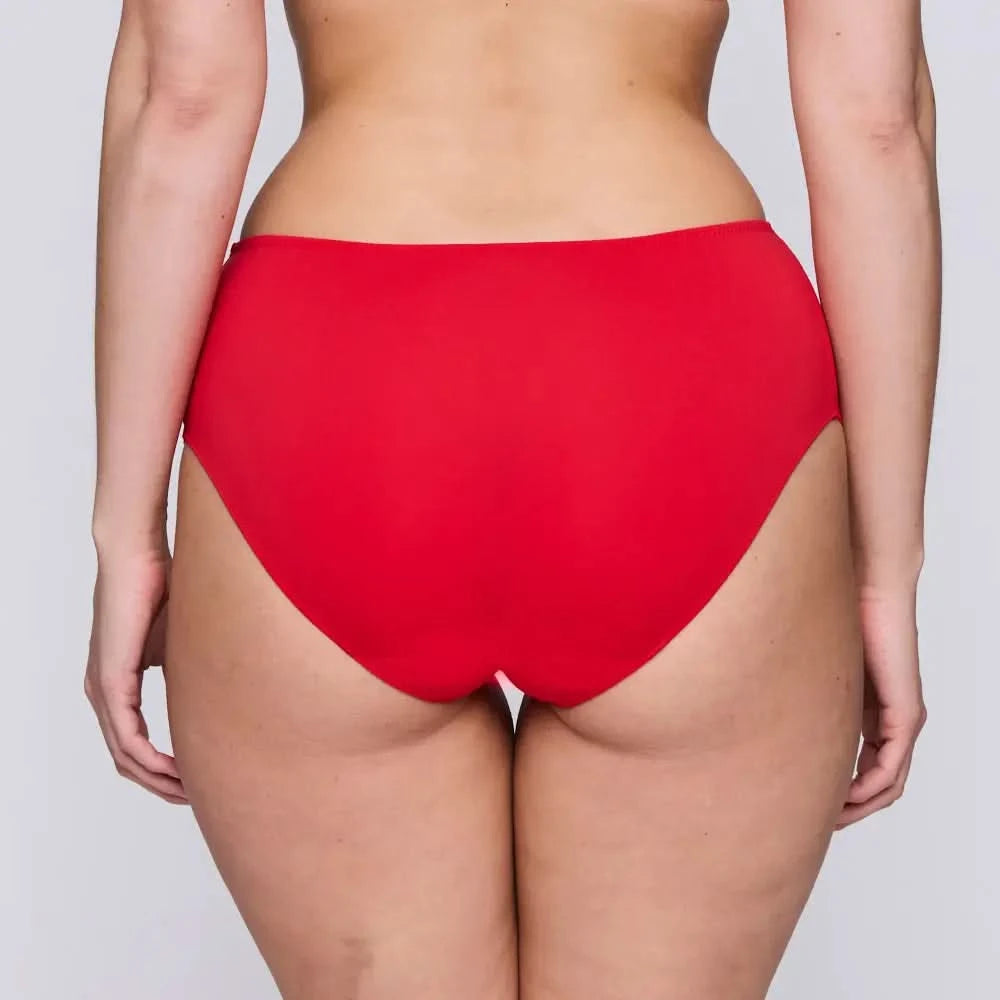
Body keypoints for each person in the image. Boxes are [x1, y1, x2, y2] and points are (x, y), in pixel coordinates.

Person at [84, 1, 940, 997]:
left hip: (341, 382)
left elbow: (184, 96)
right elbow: (875, 122)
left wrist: (126, 534)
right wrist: (885, 571)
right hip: (672, 376)